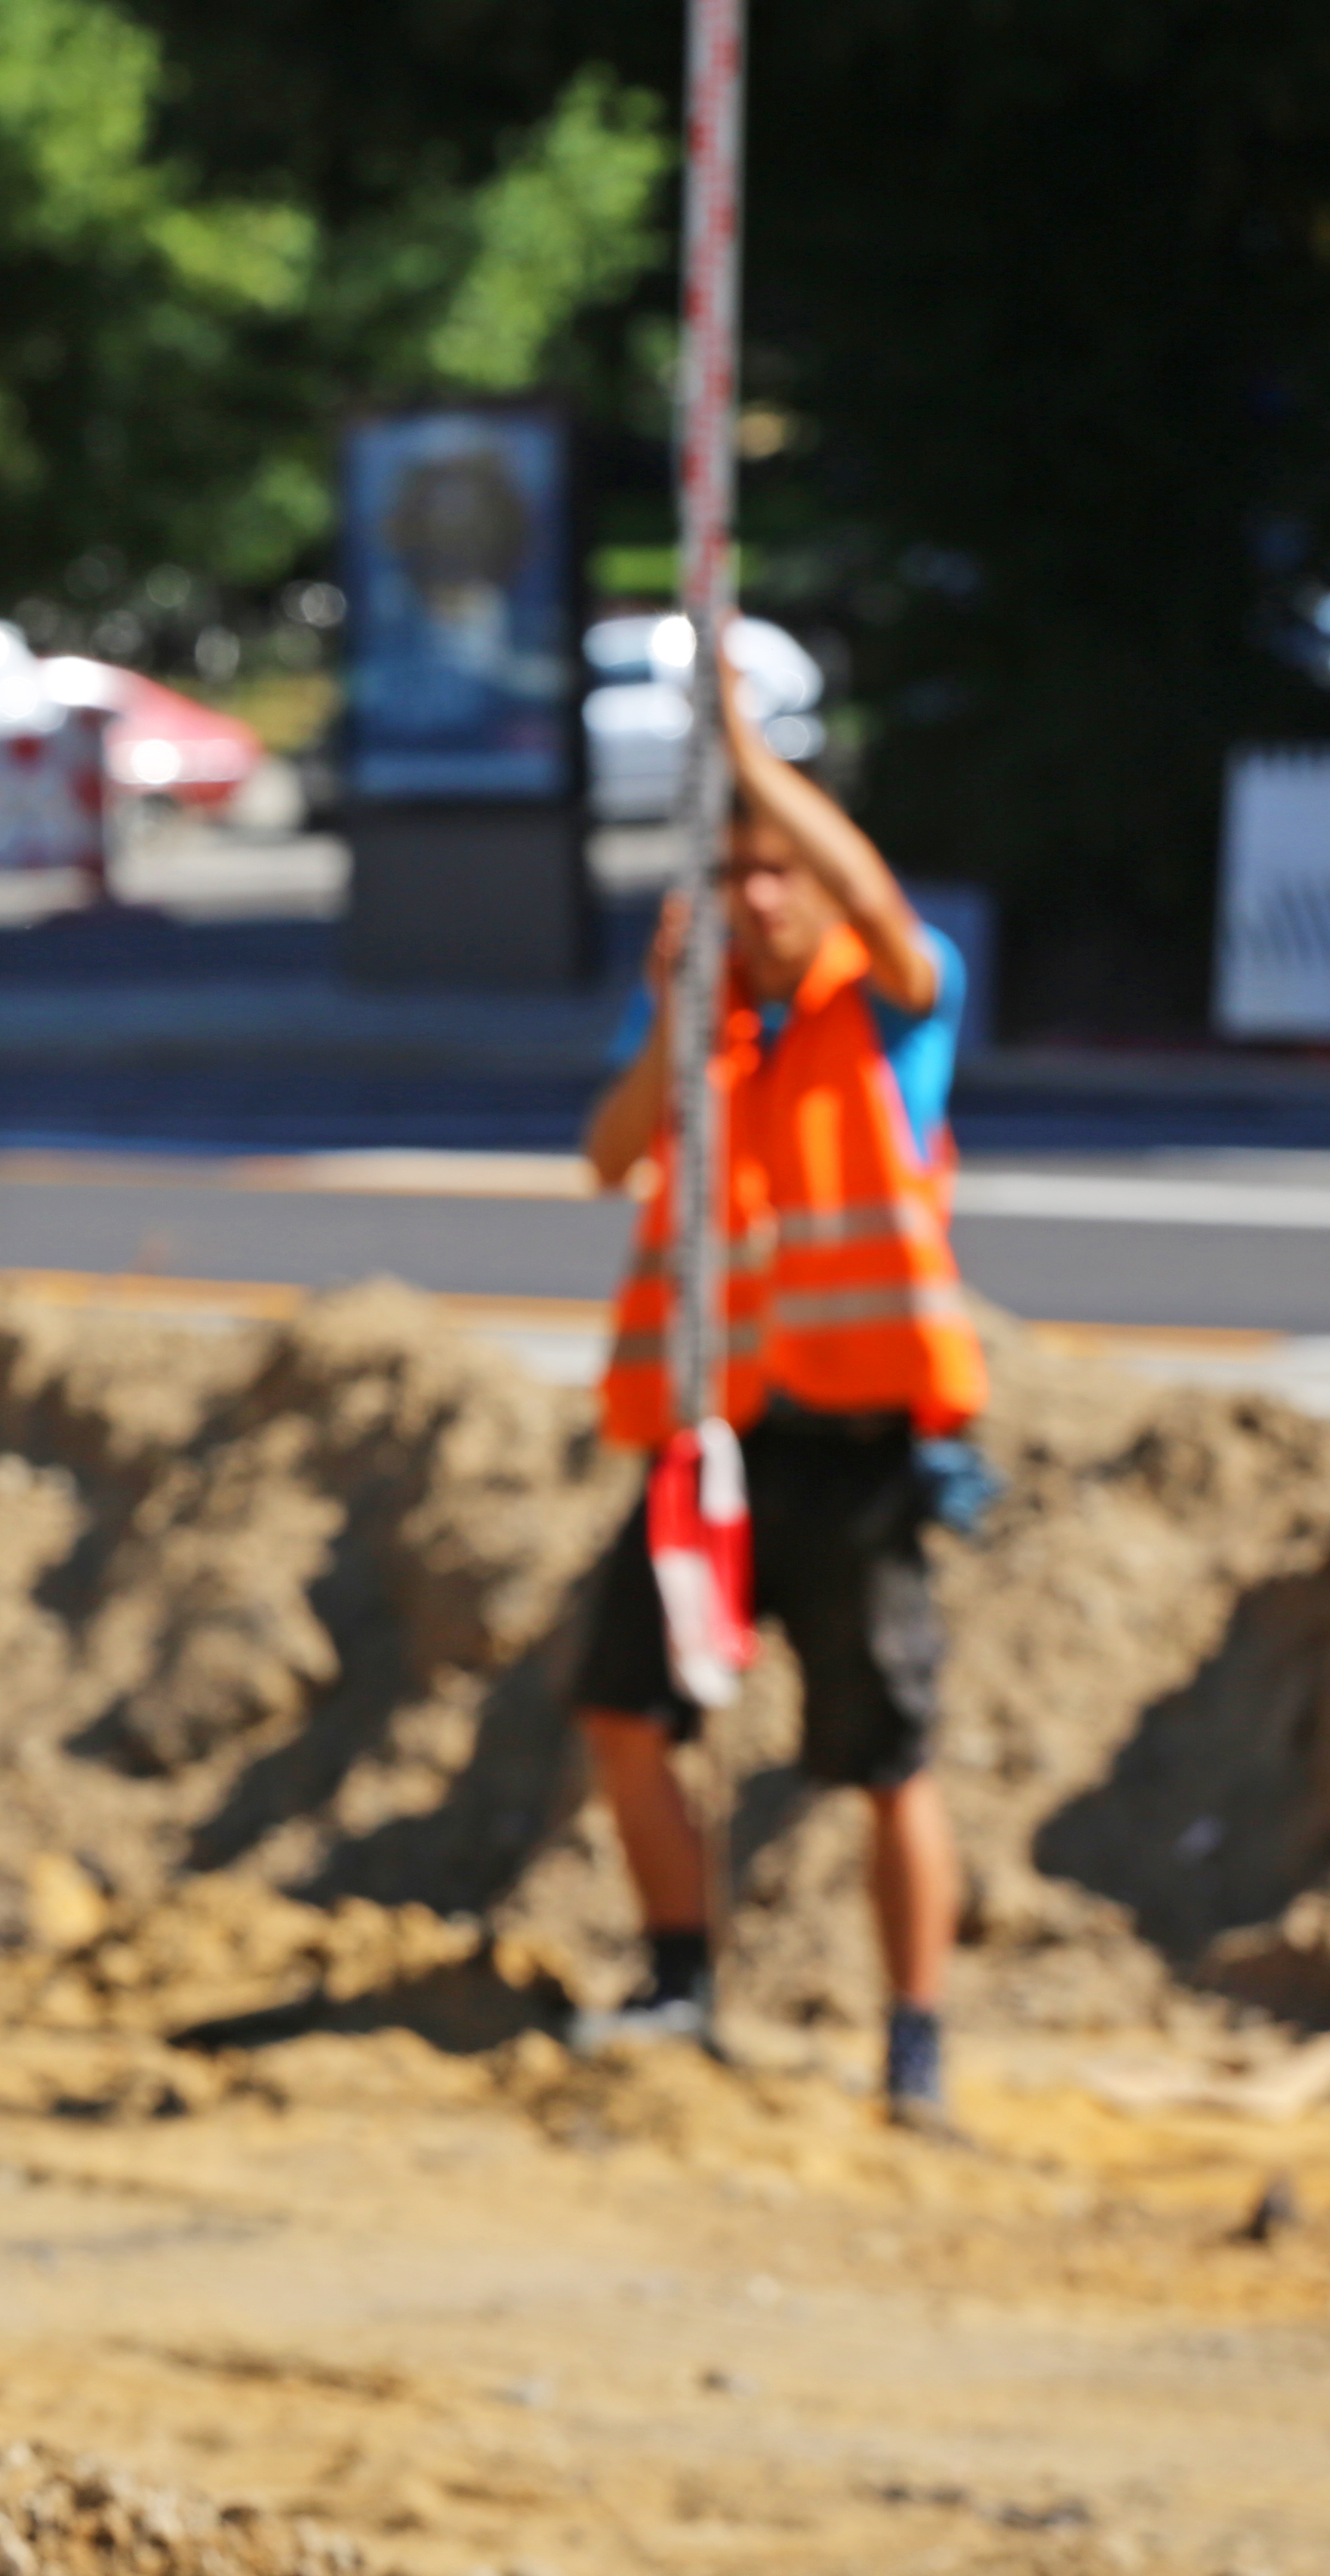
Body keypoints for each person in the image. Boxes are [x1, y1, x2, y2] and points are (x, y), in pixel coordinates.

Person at [569, 653, 985, 2129]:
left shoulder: (886, 1003)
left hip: (856, 1453)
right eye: (734, 872)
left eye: (778, 871)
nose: (760, 897)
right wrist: (675, 1014)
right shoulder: (704, 1023)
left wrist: (745, 757)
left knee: (885, 1757)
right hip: (711, 1442)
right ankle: (682, 1979)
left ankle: (915, 2041)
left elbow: (874, 904)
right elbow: (611, 1156)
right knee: (622, 1710)